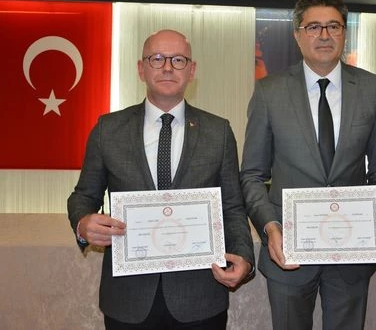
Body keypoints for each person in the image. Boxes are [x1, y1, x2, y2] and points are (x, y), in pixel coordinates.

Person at [67, 29, 254, 330]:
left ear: (191, 70)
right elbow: (83, 196)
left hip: (200, 297)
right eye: (157, 59)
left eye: (178, 60)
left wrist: (244, 256)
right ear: (141, 69)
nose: (167, 67)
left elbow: (232, 207)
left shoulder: (218, 132)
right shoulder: (107, 129)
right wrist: (83, 223)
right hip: (128, 299)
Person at [240, 0, 376, 330]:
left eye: (333, 26)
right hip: (288, 250)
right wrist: (269, 227)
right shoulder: (269, 91)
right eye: (313, 27)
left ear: (344, 33)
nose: (324, 35)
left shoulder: (372, 89)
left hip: (352, 252)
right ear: (297, 35)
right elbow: (251, 174)